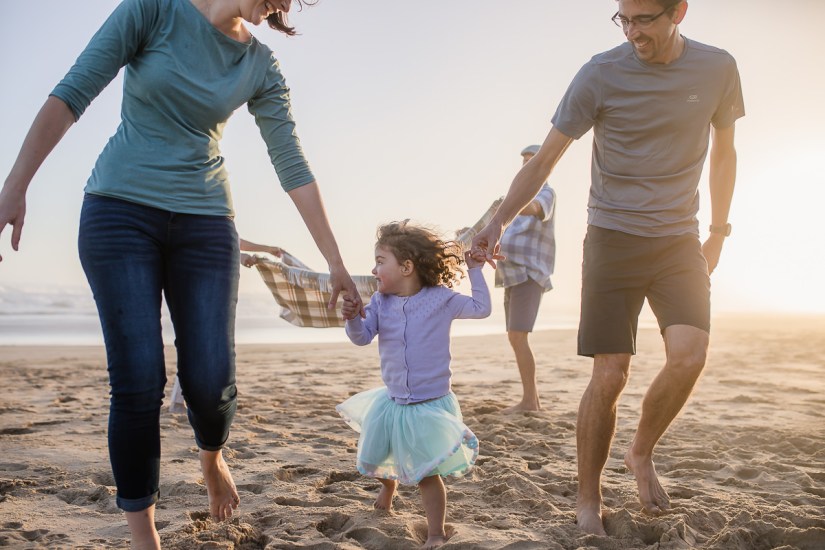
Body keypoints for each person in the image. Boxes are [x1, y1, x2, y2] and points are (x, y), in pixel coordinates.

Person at [0, 0, 363, 547]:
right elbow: (72, 92)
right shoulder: (152, 11)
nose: (282, 6)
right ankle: (146, 538)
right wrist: (16, 184)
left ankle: (211, 458)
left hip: (207, 221)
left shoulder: (259, 64)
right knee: (140, 379)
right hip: (118, 211)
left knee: (212, 382)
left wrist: (336, 262)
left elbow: (291, 160)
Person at [472, 0, 743, 536]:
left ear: (679, 12)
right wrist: (497, 222)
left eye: (645, 19)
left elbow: (725, 152)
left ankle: (640, 453)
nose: (634, 31)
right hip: (612, 239)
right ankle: (588, 498)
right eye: (624, 19)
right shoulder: (600, 73)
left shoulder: (717, 68)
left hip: (678, 238)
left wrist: (718, 231)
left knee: (689, 356)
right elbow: (548, 156)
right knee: (611, 372)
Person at [336, 222, 493, 549]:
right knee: (375, 457)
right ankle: (388, 485)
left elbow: (481, 309)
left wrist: (475, 270)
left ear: (406, 267)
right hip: (392, 402)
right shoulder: (381, 302)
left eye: (380, 261)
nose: (374, 270)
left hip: (429, 406)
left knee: (425, 475)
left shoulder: (441, 300)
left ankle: (435, 532)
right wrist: (351, 317)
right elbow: (362, 338)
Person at [496, 144, 556, 413]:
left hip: (530, 273)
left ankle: (530, 401)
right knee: (514, 336)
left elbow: (533, 209)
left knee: (519, 336)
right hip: (511, 274)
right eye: (524, 160)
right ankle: (532, 400)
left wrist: (506, 206)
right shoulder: (514, 199)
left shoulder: (546, 192)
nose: (526, 164)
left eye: (532, 160)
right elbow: (501, 232)